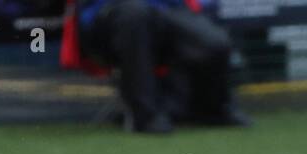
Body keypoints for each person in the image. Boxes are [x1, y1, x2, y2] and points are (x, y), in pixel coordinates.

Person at [77, 0, 249, 133]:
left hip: (164, 9)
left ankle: (212, 110)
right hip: (109, 14)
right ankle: (145, 116)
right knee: (135, 15)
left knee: (214, 42)